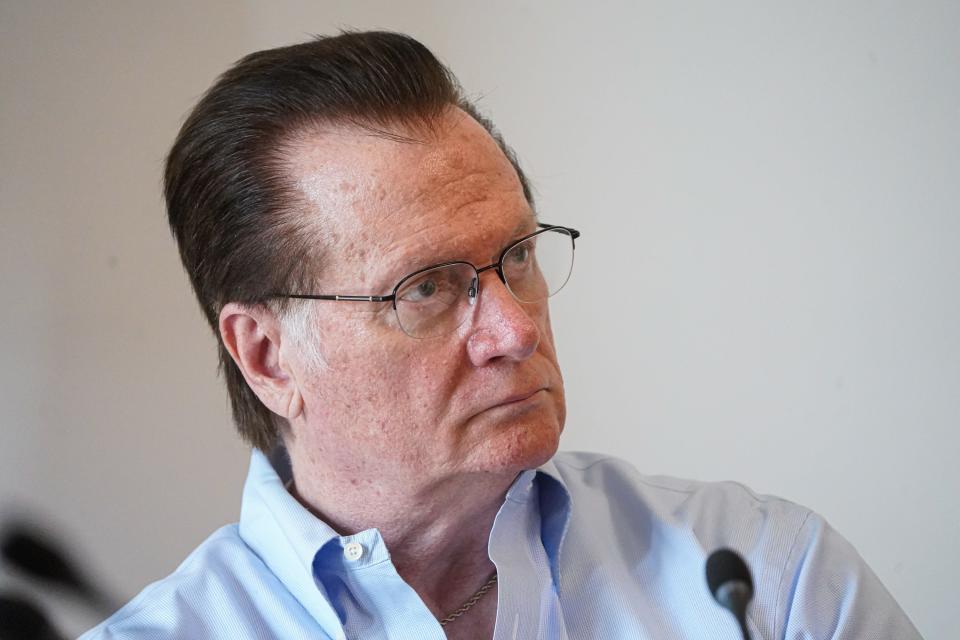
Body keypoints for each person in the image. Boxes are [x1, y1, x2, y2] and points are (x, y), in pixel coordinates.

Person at [81, 31, 920, 640]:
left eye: (516, 255)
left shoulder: (761, 580)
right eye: (427, 289)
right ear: (267, 357)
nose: (515, 328)